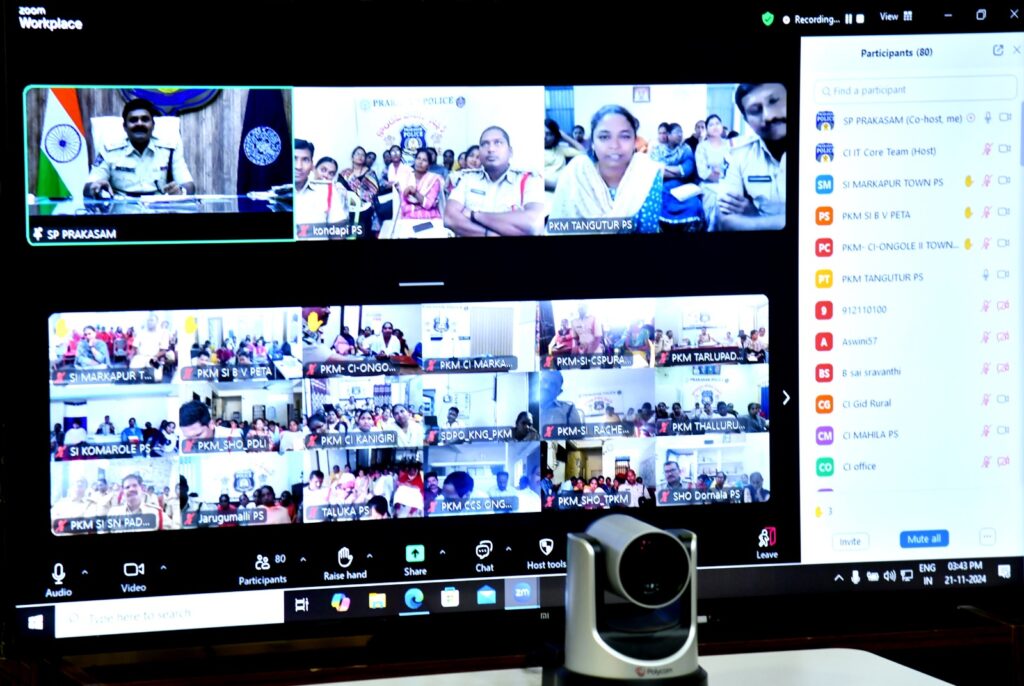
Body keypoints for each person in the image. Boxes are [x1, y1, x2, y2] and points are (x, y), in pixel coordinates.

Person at [549, 105, 662, 233]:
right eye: (604, 137)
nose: (614, 145)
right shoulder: (577, 172)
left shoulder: (646, 172)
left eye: (624, 136)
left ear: (634, 141)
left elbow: (648, 229)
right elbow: (561, 226)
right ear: (592, 143)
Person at [83, 98, 194, 198]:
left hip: (159, 208)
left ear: (153, 125)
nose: (139, 124)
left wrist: (181, 191)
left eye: (145, 119)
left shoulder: (170, 149)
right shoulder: (109, 150)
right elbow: (88, 186)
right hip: (121, 208)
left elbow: (189, 185)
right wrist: (94, 187)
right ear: (125, 127)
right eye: (133, 120)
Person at [444, 126, 545, 237]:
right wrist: (488, 234)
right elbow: (449, 218)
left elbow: (534, 224)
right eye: (485, 144)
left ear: (510, 152)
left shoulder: (528, 180)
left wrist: (475, 215)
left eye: (498, 143)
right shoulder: (467, 179)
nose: (491, 149)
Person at [718, 83, 787, 231]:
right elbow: (726, 220)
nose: (768, 116)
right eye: (755, 111)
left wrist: (756, 217)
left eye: (774, 101)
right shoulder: (737, 153)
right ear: (747, 120)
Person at [650, 123, 704, 231]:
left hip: (683, 187)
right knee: (656, 202)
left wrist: (664, 168)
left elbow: (687, 170)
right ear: (669, 135)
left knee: (695, 204)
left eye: (681, 132)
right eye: (677, 132)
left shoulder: (685, 149)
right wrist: (677, 171)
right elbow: (655, 171)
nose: (680, 135)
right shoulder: (658, 150)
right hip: (662, 186)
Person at [294, 139, 347, 224]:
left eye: (331, 173)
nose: (298, 166)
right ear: (314, 168)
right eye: (323, 170)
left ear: (311, 164)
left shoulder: (331, 190)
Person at [695, 114, 732, 230]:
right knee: (716, 200)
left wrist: (717, 172)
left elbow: (735, 167)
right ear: (707, 129)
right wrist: (721, 176)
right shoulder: (702, 147)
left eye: (717, 123)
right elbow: (703, 172)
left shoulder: (730, 144)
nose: (715, 127)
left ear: (722, 126)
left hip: (731, 183)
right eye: (711, 125)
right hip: (709, 185)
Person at [339, 146, 380, 237]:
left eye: (363, 155)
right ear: (352, 157)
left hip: (366, 210)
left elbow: (374, 191)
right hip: (349, 209)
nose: (360, 156)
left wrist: (360, 196)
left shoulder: (370, 173)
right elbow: (340, 190)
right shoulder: (345, 173)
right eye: (358, 154)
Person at [398, 149, 443, 220]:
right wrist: (418, 207)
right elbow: (403, 207)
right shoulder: (405, 178)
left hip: (431, 217)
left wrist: (415, 193)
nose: (420, 162)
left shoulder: (434, 179)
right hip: (409, 217)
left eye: (424, 160)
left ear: (429, 165)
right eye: (418, 158)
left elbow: (428, 204)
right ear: (415, 160)